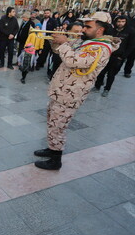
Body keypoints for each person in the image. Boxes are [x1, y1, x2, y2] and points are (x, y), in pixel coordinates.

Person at [33, 12, 121, 170]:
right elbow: (60, 52)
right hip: (62, 90)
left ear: (100, 30)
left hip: (70, 93)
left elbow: (73, 61)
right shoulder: (88, 41)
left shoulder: (99, 47)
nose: (83, 29)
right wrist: (57, 41)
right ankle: (52, 147)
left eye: (88, 26)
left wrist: (65, 42)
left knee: (58, 125)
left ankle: (55, 160)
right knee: (53, 121)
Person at [94, 16, 135, 96]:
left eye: (123, 21)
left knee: (111, 74)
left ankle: (107, 89)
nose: (120, 23)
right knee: (101, 72)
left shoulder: (130, 32)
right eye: (119, 21)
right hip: (107, 55)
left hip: (118, 57)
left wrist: (123, 57)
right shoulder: (111, 30)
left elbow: (131, 46)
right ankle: (97, 86)